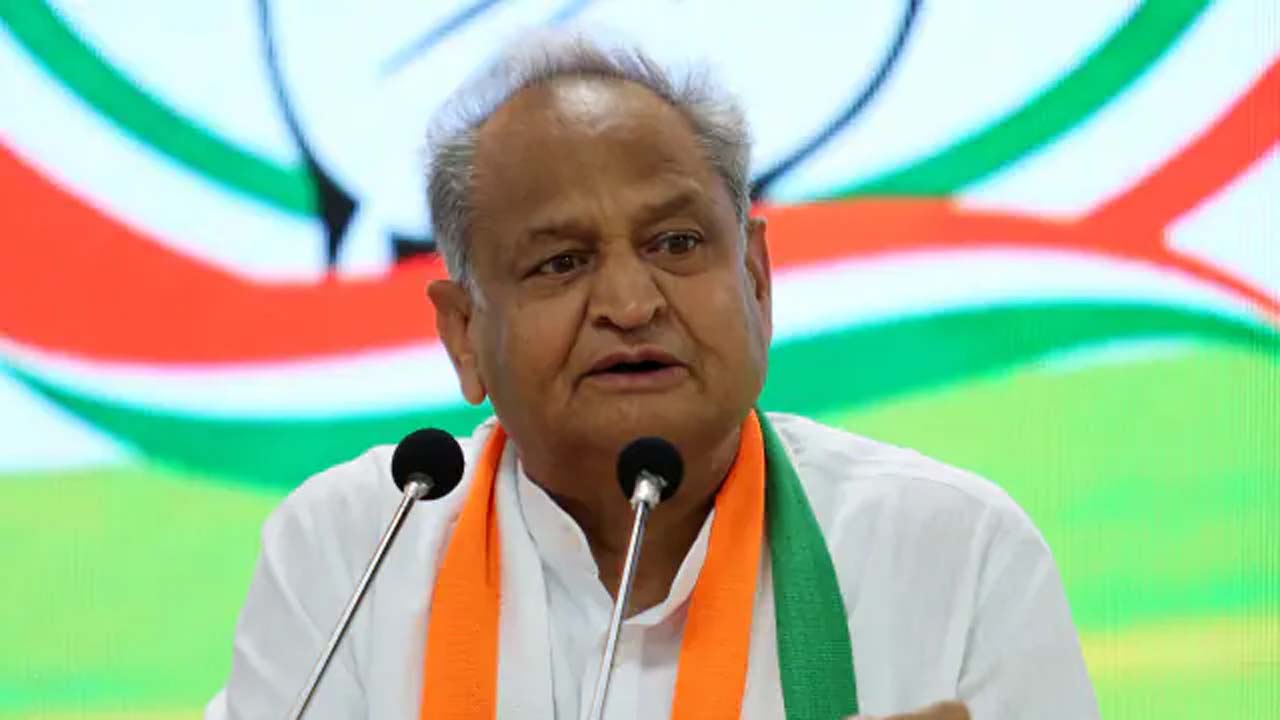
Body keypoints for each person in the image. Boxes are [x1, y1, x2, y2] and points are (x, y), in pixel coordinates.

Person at [207, 33, 1097, 719]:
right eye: (561, 262)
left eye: (676, 243)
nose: (631, 303)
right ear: (465, 334)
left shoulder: (952, 551)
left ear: (756, 281)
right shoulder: (352, 550)